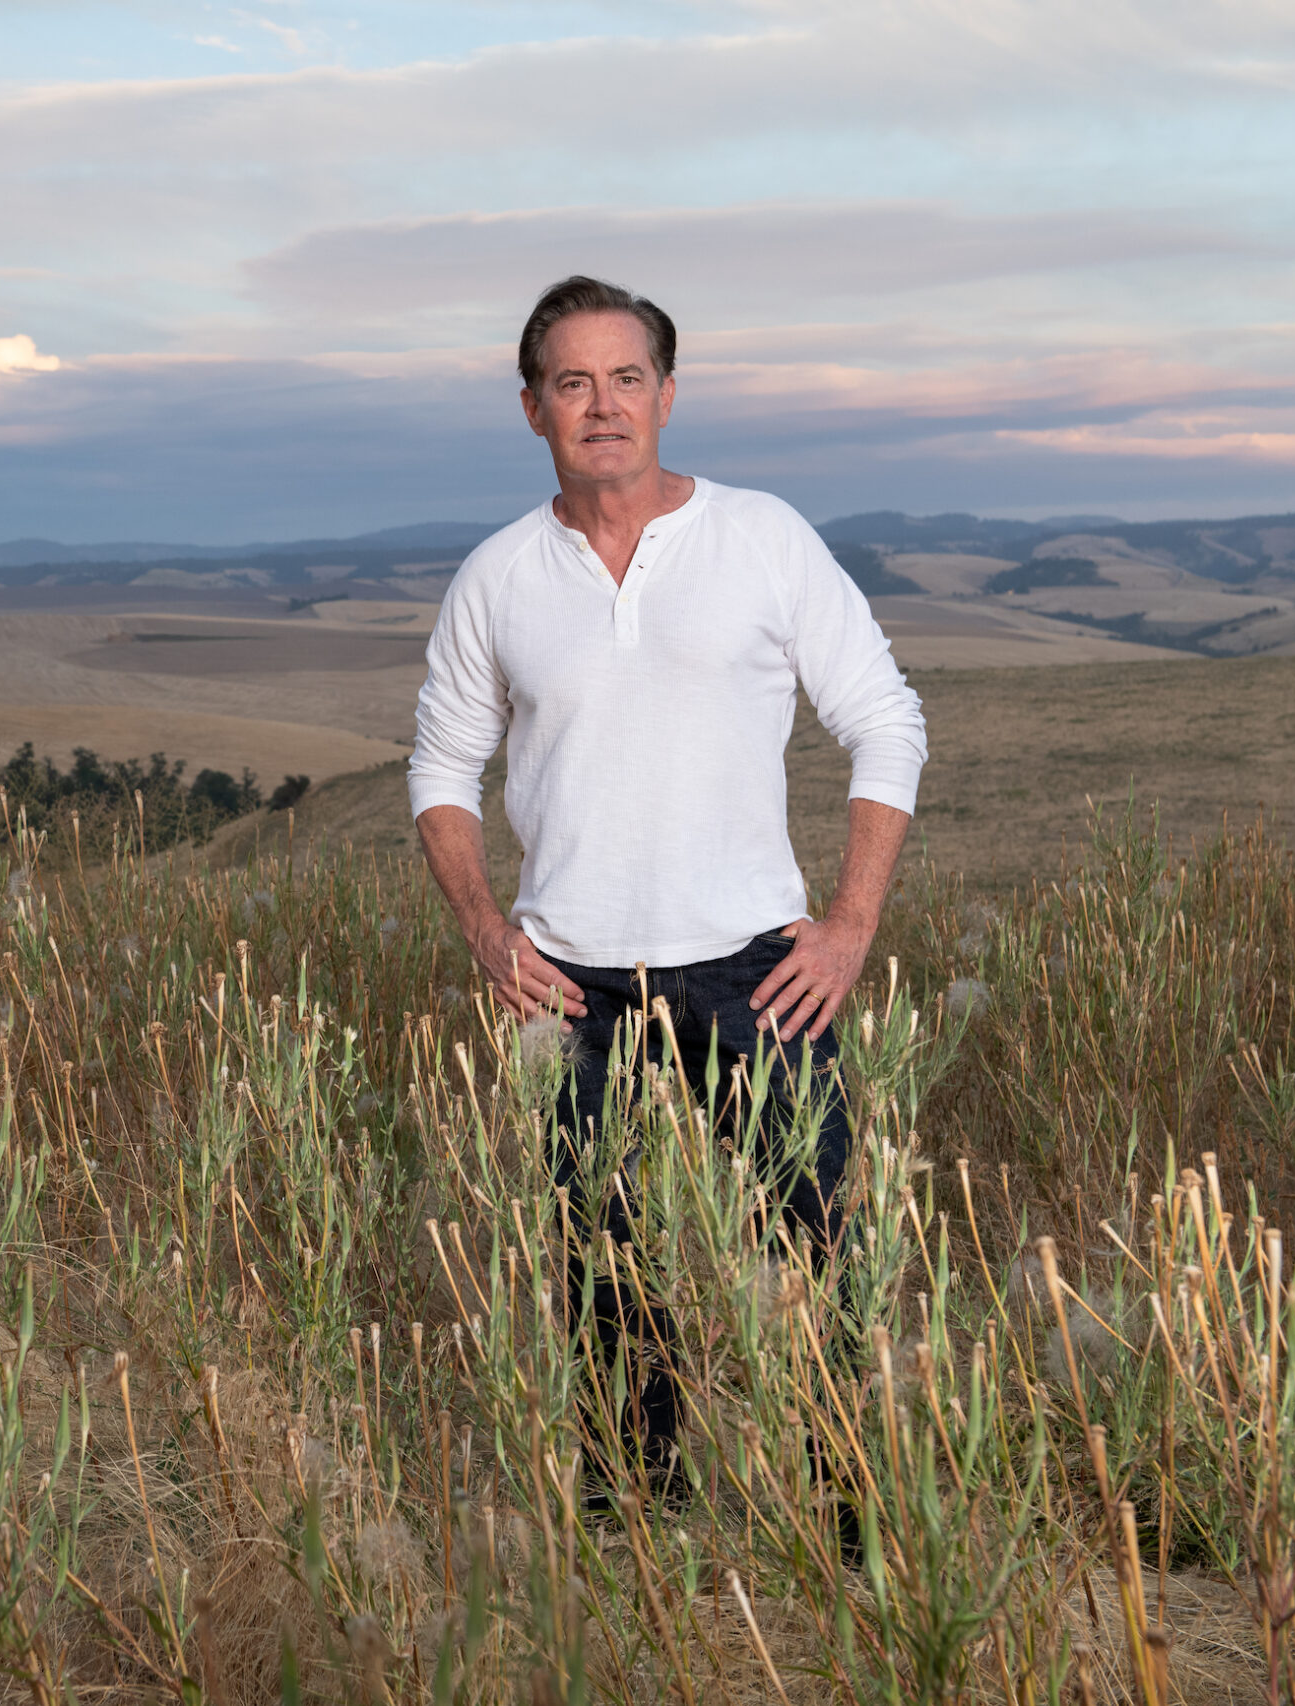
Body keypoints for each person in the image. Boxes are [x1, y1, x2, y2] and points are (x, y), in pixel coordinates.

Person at [407, 274, 927, 1506]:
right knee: (598, 1268)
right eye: (572, 382)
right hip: (564, 987)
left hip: (759, 973)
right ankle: (633, 1524)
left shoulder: (760, 536)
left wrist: (849, 925)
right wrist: (488, 931)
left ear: (669, 395)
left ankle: (841, 1532)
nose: (602, 404)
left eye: (626, 377)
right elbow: (440, 765)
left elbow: (886, 721)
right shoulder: (497, 576)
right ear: (531, 407)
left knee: (810, 1257)